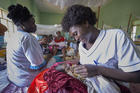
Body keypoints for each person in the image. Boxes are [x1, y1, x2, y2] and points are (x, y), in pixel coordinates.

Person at [61, 4, 140, 92]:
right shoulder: (81, 46)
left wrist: (98, 70)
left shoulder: (116, 37)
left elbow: (137, 76)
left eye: (76, 34)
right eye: (73, 37)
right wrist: (75, 67)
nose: (76, 39)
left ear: (85, 23)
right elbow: (88, 65)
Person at [1, 4, 55, 93]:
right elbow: (38, 66)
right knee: (53, 61)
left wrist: (39, 43)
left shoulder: (13, 36)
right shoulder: (28, 37)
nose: (35, 26)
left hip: (13, 77)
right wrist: (50, 55)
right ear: (23, 24)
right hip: (25, 81)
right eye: (32, 23)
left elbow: (21, 49)